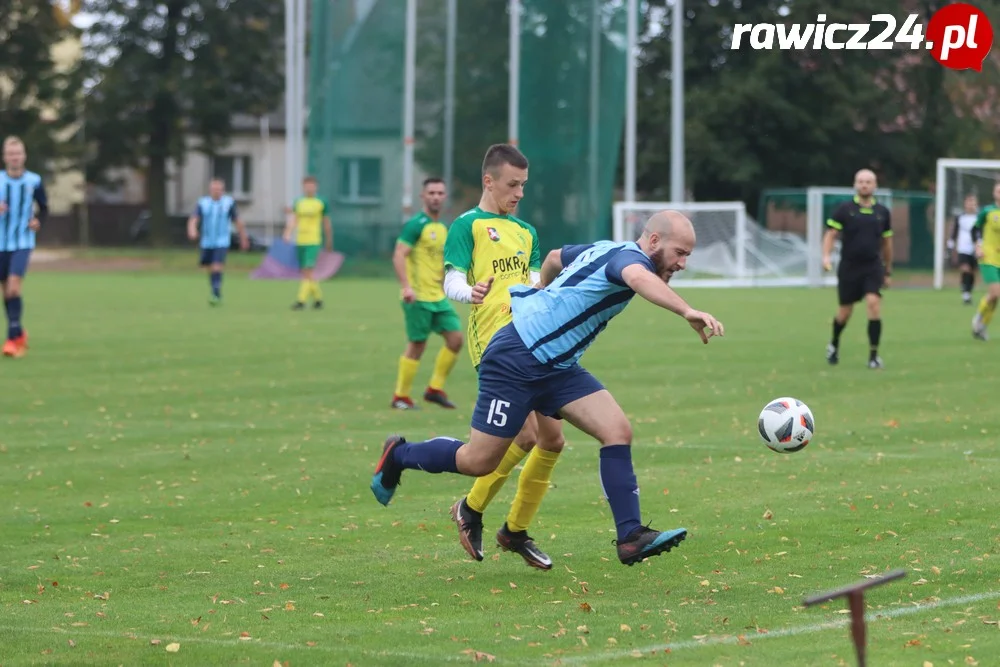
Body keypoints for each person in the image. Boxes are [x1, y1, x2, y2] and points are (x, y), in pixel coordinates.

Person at [371, 211, 725, 566]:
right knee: (478, 461)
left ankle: (631, 536)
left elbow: (555, 257)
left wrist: (543, 288)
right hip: (517, 358)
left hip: (557, 366)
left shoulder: (607, 248)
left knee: (616, 431)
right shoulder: (630, 261)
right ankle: (398, 455)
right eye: (680, 253)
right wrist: (686, 311)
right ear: (653, 241)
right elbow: (637, 278)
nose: (682, 263)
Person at [441, 143, 564, 570]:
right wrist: (469, 292)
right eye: (513, 185)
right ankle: (473, 509)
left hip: (534, 338)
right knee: (528, 437)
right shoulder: (467, 226)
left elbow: (533, 283)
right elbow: (452, 280)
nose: (519, 193)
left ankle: (513, 530)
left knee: (552, 439)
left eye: (524, 185)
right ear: (488, 181)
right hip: (495, 344)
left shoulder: (526, 232)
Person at [390, 177, 463, 410]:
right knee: (417, 345)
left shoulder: (442, 228)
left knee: (456, 340)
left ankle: (435, 389)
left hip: (437, 297)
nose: (436, 197)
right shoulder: (416, 224)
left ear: (445, 197)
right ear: (423, 196)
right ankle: (400, 396)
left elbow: (441, 261)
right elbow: (399, 254)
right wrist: (406, 287)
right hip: (418, 296)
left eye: (440, 193)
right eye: (431, 193)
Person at [822, 169, 893, 369]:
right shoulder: (845, 209)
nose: (864, 185)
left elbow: (887, 243)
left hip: (872, 266)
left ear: (875, 185)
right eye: (861, 181)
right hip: (849, 267)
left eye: (868, 182)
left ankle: (873, 355)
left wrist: (888, 270)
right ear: (855, 184)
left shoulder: (882, 212)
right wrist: (826, 256)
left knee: (873, 304)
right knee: (845, 312)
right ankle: (834, 344)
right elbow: (830, 235)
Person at [0, 136, 48, 358]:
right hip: (1, 243)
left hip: (22, 242)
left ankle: (11, 339)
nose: (14, 157)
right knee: (7, 292)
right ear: (5, 157)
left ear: (24, 156)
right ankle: (18, 332)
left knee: (14, 287)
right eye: (10, 154)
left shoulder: (34, 181)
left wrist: (38, 220)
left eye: (18, 153)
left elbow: (44, 208)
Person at [187, 178, 249, 305]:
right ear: (210, 190)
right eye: (214, 189)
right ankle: (214, 289)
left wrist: (243, 238)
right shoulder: (203, 203)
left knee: (217, 266)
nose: (217, 192)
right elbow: (194, 218)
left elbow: (237, 221)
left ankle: (216, 292)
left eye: (219, 189)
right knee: (209, 267)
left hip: (222, 241)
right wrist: (192, 230)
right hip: (207, 241)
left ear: (223, 190)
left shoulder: (228, 203)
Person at [283, 175, 332, 310]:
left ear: (316, 187)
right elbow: (294, 219)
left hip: (313, 240)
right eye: (307, 185)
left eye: (312, 185)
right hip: (301, 240)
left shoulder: (321, 202)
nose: (309, 188)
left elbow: (326, 222)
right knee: (306, 272)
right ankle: (318, 299)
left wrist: (329, 239)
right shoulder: (299, 202)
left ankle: (301, 301)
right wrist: (287, 233)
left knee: (308, 271)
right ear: (303, 187)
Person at [972, 183, 1000, 341]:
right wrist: (978, 246)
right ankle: (978, 319)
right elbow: (975, 229)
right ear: (994, 193)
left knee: (995, 297)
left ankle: (982, 327)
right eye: (998, 190)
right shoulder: (987, 211)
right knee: (996, 292)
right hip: (988, 257)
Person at [948, 193, 981, 305]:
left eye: (973, 202)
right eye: (969, 202)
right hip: (963, 248)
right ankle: (966, 294)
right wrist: (950, 245)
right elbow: (954, 233)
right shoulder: (960, 218)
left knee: (972, 272)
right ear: (965, 204)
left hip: (976, 248)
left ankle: (968, 291)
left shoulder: (979, 218)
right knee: (965, 269)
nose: (971, 205)